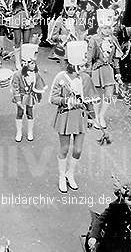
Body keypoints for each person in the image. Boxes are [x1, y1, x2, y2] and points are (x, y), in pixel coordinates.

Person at [50, 41, 99, 193]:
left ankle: (70, 174)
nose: (86, 65)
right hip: (65, 116)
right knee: (64, 149)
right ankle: (61, 177)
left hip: (80, 117)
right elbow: (53, 98)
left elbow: (90, 100)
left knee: (78, 150)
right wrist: (66, 101)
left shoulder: (86, 78)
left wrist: (92, 117)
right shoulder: (61, 77)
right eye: (83, 62)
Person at [87, 181, 131, 252]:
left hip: (130, 244)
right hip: (113, 243)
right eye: (129, 200)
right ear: (123, 198)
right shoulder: (115, 206)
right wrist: (93, 237)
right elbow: (100, 220)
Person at [86, 9, 123, 131]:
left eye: (109, 28)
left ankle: (102, 116)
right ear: (100, 28)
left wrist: (118, 73)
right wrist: (88, 73)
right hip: (97, 69)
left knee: (108, 95)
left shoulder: (114, 40)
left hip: (109, 69)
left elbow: (116, 58)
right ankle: (96, 116)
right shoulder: (94, 39)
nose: (107, 30)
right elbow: (89, 57)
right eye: (105, 28)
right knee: (96, 95)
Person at [10, 43, 45, 142]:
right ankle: (19, 132)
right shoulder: (18, 74)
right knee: (20, 112)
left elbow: (38, 86)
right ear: (26, 63)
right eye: (32, 63)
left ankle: (30, 131)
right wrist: (18, 100)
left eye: (34, 63)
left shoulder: (36, 74)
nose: (34, 65)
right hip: (21, 96)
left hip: (29, 96)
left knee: (30, 112)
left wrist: (38, 96)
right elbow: (15, 87)